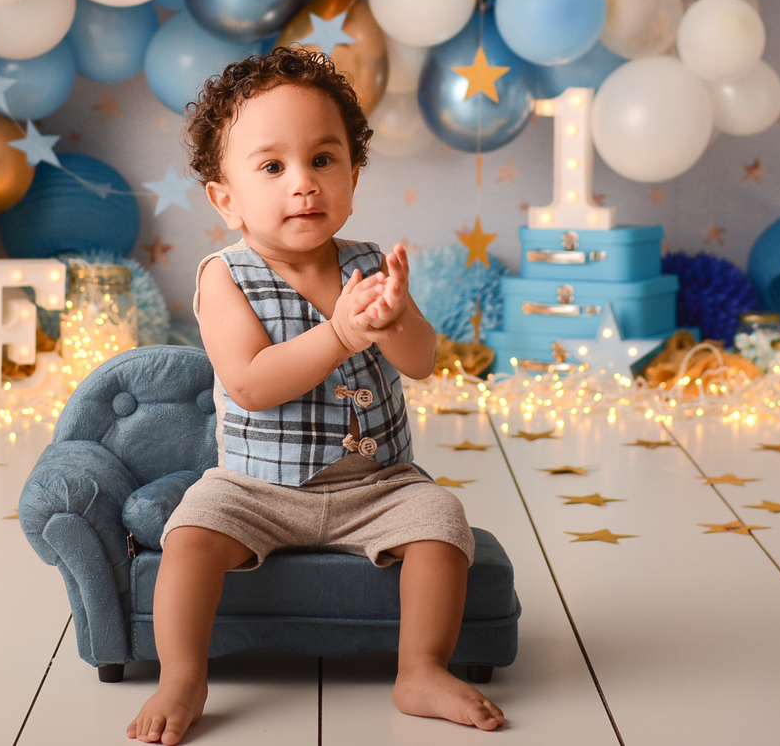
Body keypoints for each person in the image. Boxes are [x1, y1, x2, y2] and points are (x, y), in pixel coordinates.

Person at [128, 47, 504, 744]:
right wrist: (340, 333)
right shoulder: (226, 276)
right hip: (257, 487)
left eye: (323, 159)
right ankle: (182, 676)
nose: (303, 183)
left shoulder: (367, 266)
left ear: (353, 177)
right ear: (226, 199)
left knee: (442, 520)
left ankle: (420, 670)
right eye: (272, 167)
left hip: (376, 483)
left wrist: (395, 320)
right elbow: (250, 382)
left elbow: (422, 363)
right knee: (189, 536)